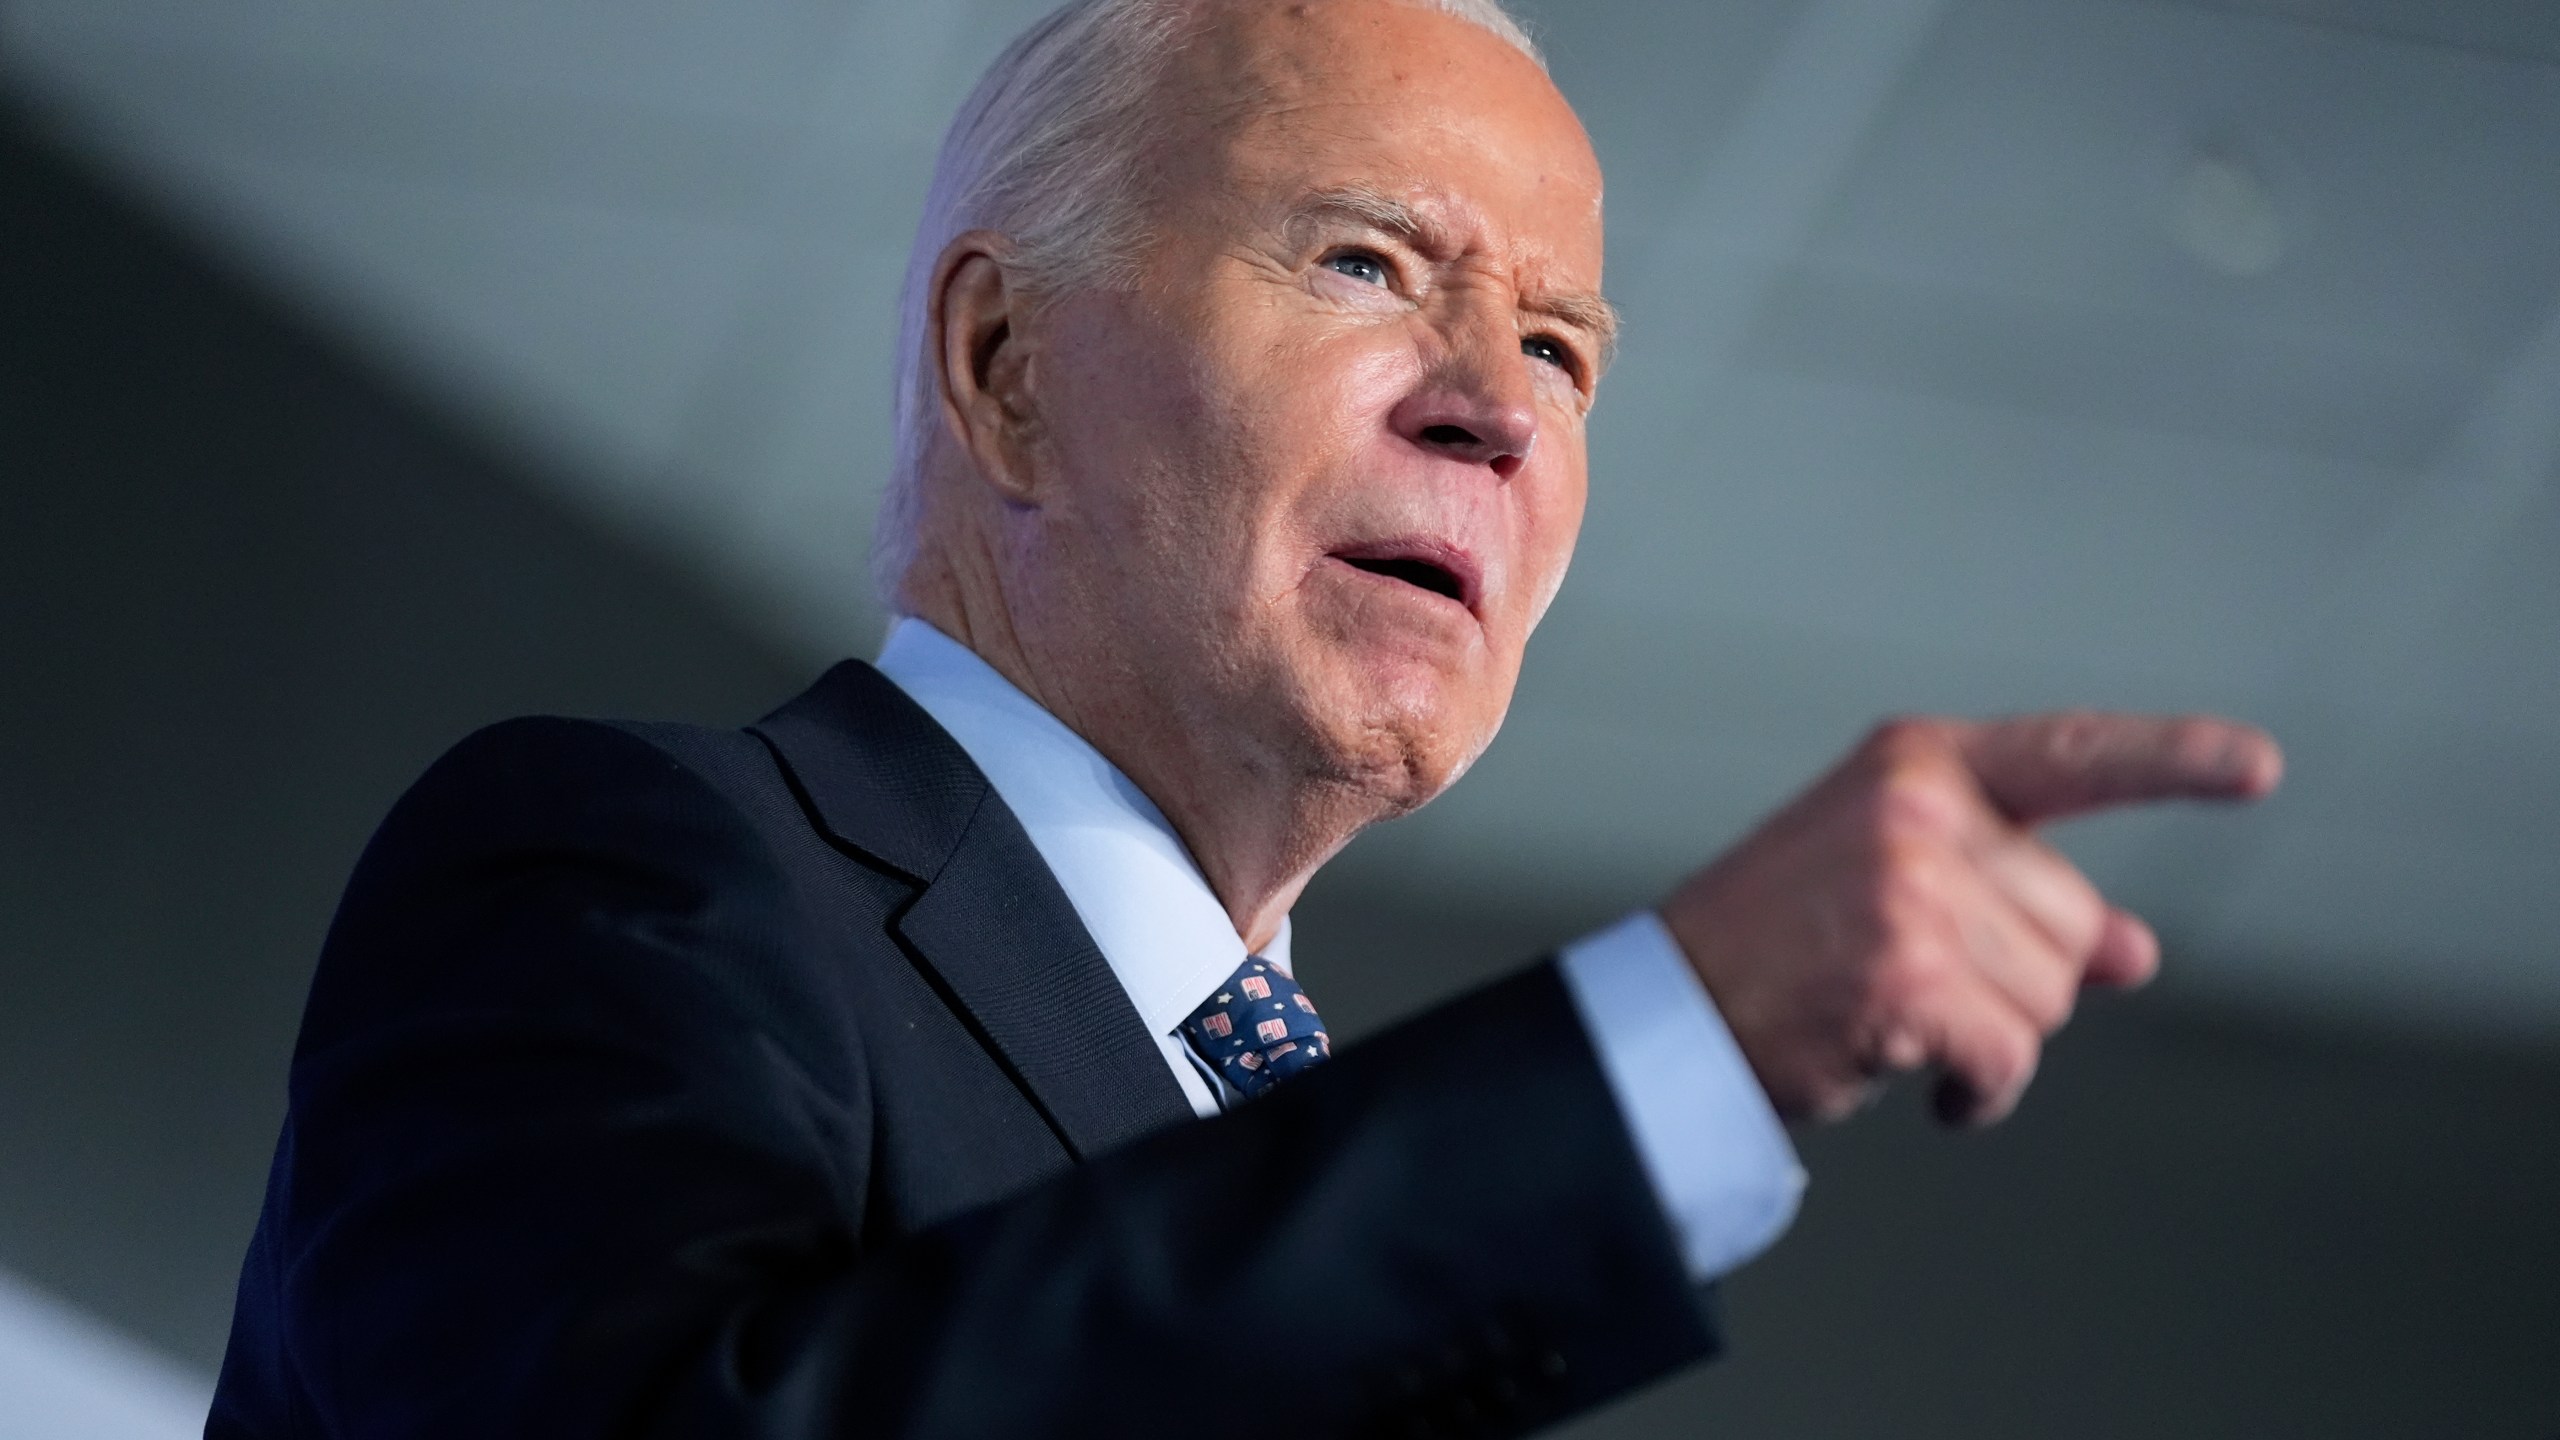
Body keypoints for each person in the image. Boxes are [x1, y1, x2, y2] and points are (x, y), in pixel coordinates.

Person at [207, 0, 2283, 1435]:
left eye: (1560, 347)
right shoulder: (627, 876)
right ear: (1006, 363)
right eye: (1371, 263)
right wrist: (1680, 1039)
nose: (1495, 405)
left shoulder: (1287, 1174)